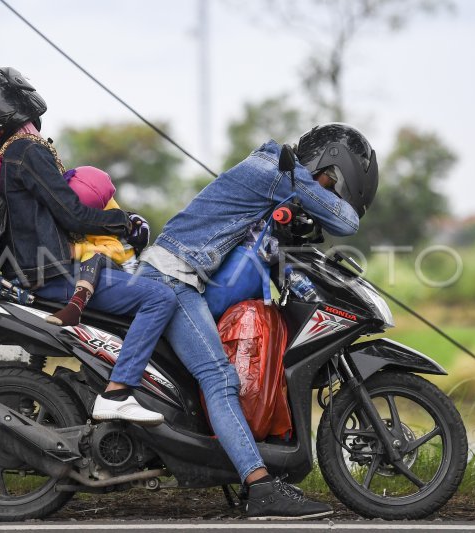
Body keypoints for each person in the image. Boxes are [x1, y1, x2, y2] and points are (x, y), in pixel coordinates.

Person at [137, 122, 379, 519]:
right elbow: (346, 222)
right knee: (220, 378)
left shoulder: (273, 174)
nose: (322, 190)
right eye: (328, 183)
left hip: (182, 279)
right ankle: (260, 488)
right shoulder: (275, 172)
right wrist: (314, 194)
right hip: (172, 281)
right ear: (327, 166)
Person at [0, 66, 175, 425]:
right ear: (11, 105)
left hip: (30, 272)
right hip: (50, 275)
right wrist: (125, 222)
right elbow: (72, 215)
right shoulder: (27, 150)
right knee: (159, 297)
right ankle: (117, 394)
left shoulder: (11, 155)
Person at [44, 165, 149, 327]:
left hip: (125, 270)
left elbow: (118, 253)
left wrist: (78, 250)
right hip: (100, 266)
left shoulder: (105, 221)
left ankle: (75, 307)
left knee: (95, 257)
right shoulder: (99, 204)